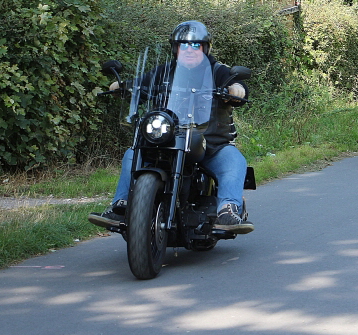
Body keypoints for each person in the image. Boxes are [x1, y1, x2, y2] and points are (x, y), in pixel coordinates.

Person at [90, 20, 253, 231]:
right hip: (167, 139)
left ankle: (227, 209)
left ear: (205, 48)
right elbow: (140, 85)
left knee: (234, 161)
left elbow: (237, 85)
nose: (189, 50)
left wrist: (236, 90)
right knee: (133, 153)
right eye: (183, 45)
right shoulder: (164, 71)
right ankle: (121, 205)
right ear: (175, 48)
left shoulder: (217, 71)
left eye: (196, 45)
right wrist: (123, 87)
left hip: (210, 143)